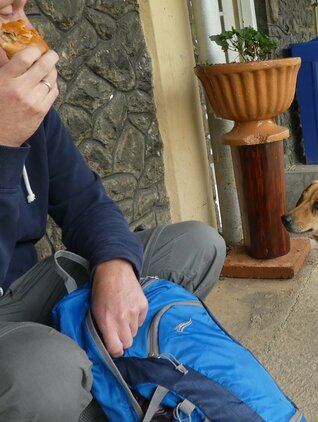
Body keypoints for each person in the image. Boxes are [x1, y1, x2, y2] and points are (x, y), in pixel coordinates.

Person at [0, 1, 226, 420]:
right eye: (2, 14)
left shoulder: (28, 112)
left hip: (27, 287)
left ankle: (116, 378)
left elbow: (86, 202)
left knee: (199, 244)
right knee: (49, 374)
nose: (22, 29)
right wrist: (3, 144)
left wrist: (115, 263)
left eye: (20, 9)